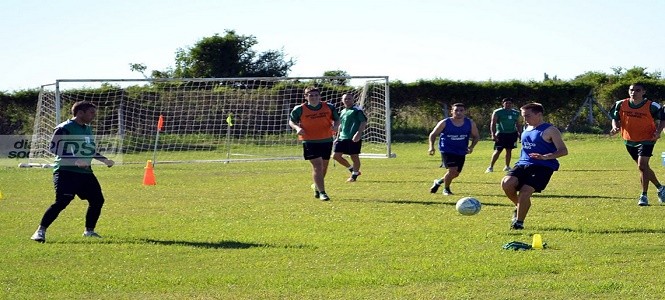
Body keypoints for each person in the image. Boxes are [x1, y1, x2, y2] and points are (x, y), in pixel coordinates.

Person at [31, 101, 115, 243]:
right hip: (65, 171)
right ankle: (40, 231)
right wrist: (75, 161)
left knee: (97, 200)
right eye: (91, 112)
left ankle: (89, 231)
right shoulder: (64, 128)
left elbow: (90, 149)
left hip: (85, 173)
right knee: (62, 202)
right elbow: (54, 147)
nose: (94, 116)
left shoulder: (88, 129)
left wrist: (104, 160)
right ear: (80, 113)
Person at [501, 103, 568, 230]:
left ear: (539, 114)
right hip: (523, 163)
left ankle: (518, 223)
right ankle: (520, 206)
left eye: (528, 116)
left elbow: (563, 150)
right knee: (506, 183)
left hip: (543, 166)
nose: (525, 119)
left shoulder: (550, 130)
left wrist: (546, 157)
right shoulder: (527, 128)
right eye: (523, 116)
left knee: (525, 192)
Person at [609, 83, 665, 206]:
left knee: (642, 165)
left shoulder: (651, 105)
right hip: (629, 140)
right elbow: (615, 117)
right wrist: (615, 127)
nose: (634, 92)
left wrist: (658, 132)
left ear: (643, 92)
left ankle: (643, 196)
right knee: (643, 168)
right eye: (631, 90)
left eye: (637, 90)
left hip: (647, 139)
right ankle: (661, 188)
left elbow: (663, 118)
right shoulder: (621, 104)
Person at [289, 87, 340, 201]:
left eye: (316, 95)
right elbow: (291, 121)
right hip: (309, 141)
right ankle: (323, 193)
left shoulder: (329, 107)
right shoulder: (299, 109)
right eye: (310, 95)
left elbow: (337, 119)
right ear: (305, 97)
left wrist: (336, 126)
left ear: (319, 96)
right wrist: (297, 128)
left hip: (326, 140)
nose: (313, 97)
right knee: (318, 166)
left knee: (324, 167)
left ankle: (317, 187)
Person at [428, 103, 480, 195]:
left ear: (464, 112)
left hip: (461, 151)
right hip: (447, 150)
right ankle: (446, 189)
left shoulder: (470, 123)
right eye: (456, 110)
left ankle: (438, 182)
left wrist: (471, 147)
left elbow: (476, 136)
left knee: (455, 174)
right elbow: (433, 134)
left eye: (461, 110)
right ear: (452, 111)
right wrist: (431, 147)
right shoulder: (445, 122)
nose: (459, 112)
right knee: (452, 170)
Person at [333, 93, 368, 182]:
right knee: (336, 156)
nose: (347, 100)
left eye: (349, 98)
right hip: (342, 137)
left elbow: (363, 122)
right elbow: (341, 125)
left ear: (353, 100)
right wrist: (337, 137)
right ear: (342, 100)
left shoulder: (357, 110)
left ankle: (354, 177)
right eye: (345, 99)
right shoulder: (343, 111)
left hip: (353, 137)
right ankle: (352, 170)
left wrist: (358, 133)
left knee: (354, 157)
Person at [486, 98, 522, 173]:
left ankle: (507, 166)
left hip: (512, 134)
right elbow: (493, 123)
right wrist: (493, 134)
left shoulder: (516, 113)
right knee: (498, 150)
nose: (508, 104)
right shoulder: (498, 112)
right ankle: (490, 167)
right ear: (503, 104)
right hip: (501, 134)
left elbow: (519, 124)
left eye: (510, 103)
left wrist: (520, 134)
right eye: (506, 103)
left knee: (509, 150)